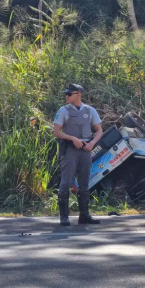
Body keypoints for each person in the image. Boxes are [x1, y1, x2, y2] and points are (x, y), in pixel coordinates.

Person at [53, 83, 103, 226]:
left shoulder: (90, 110)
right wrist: (72, 138)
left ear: (78, 94)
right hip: (70, 150)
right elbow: (56, 132)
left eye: (69, 94)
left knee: (84, 183)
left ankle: (84, 215)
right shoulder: (63, 111)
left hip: (86, 149)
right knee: (66, 182)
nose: (66, 97)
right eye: (66, 94)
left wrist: (92, 143)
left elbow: (99, 130)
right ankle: (64, 216)